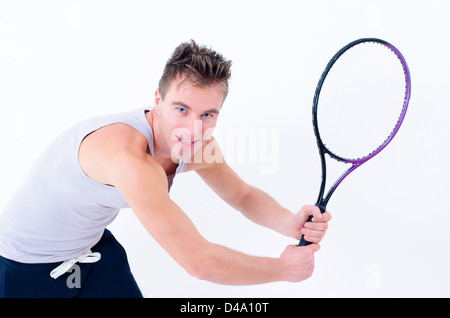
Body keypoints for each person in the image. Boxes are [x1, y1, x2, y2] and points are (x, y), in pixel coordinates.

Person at [0, 40, 331, 298]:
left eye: (207, 114)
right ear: (157, 100)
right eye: (181, 109)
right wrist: (282, 269)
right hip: (24, 267)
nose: (192, 127)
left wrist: (288, 222)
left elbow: (242, 195)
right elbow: (199, 262)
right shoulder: (129, 160)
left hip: (92, 251)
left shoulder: (197, 145)